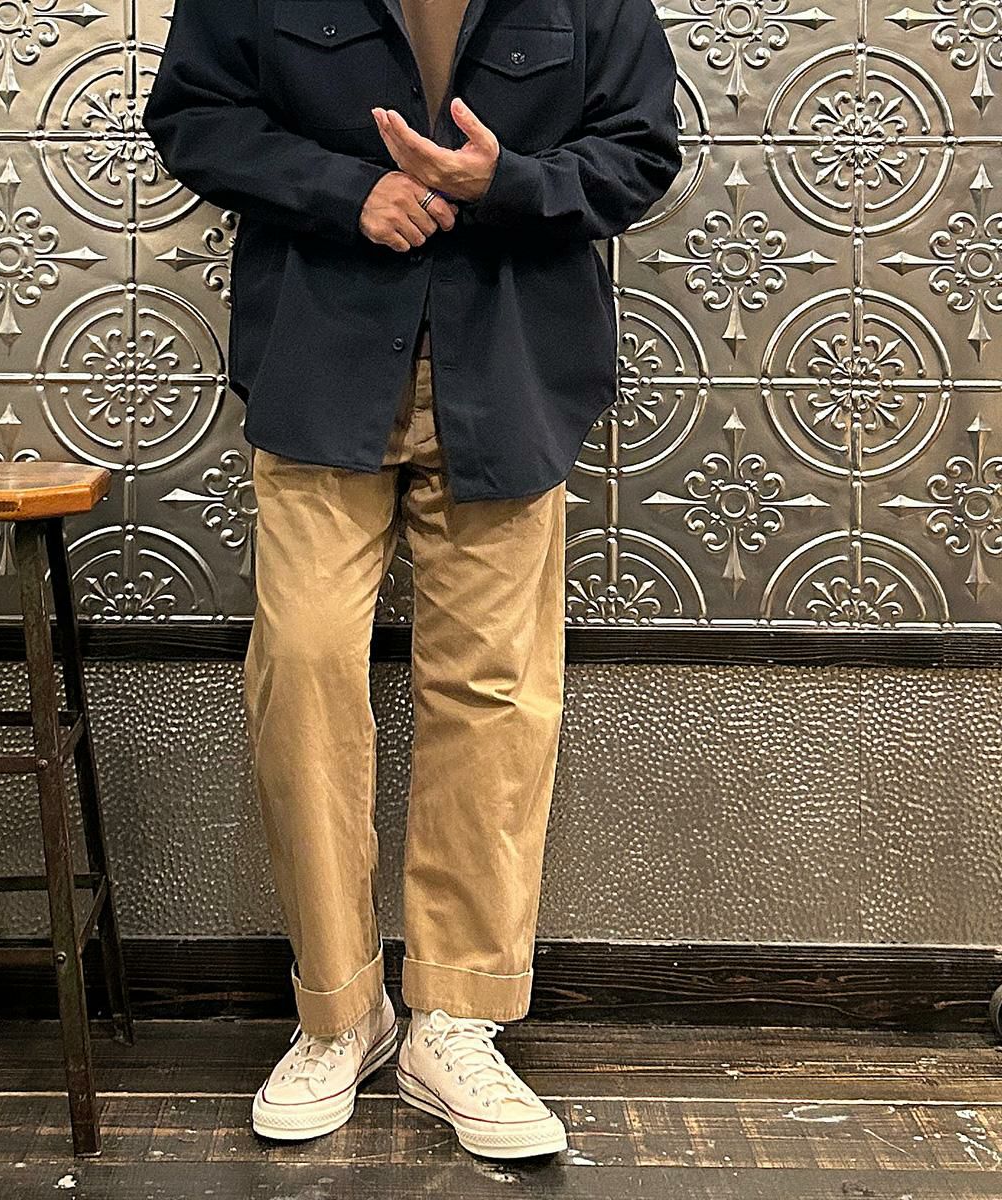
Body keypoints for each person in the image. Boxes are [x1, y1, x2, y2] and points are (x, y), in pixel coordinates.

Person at [142, 0, 681, 1161]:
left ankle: (455, 1020)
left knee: (495, 694)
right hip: (321, 362)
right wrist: (351, 193)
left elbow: (640, 150)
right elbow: (194, 116)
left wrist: (507, 183)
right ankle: (340, 1013)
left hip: (514, 369)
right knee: (302, 671)